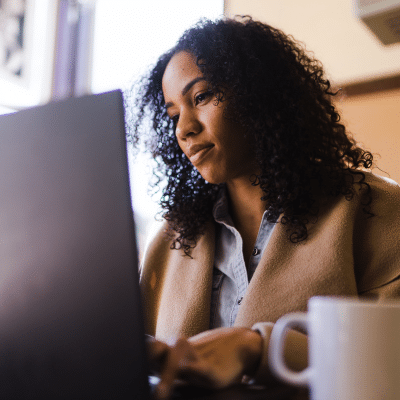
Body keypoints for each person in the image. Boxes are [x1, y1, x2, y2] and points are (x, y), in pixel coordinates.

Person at [128, 16, 400, 400]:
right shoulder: (171, 242)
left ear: (258, 93)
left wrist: (259, 348)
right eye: (173, 115)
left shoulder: (376, 212)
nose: (184, 129)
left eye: (201, 97)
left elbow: (392, 360)